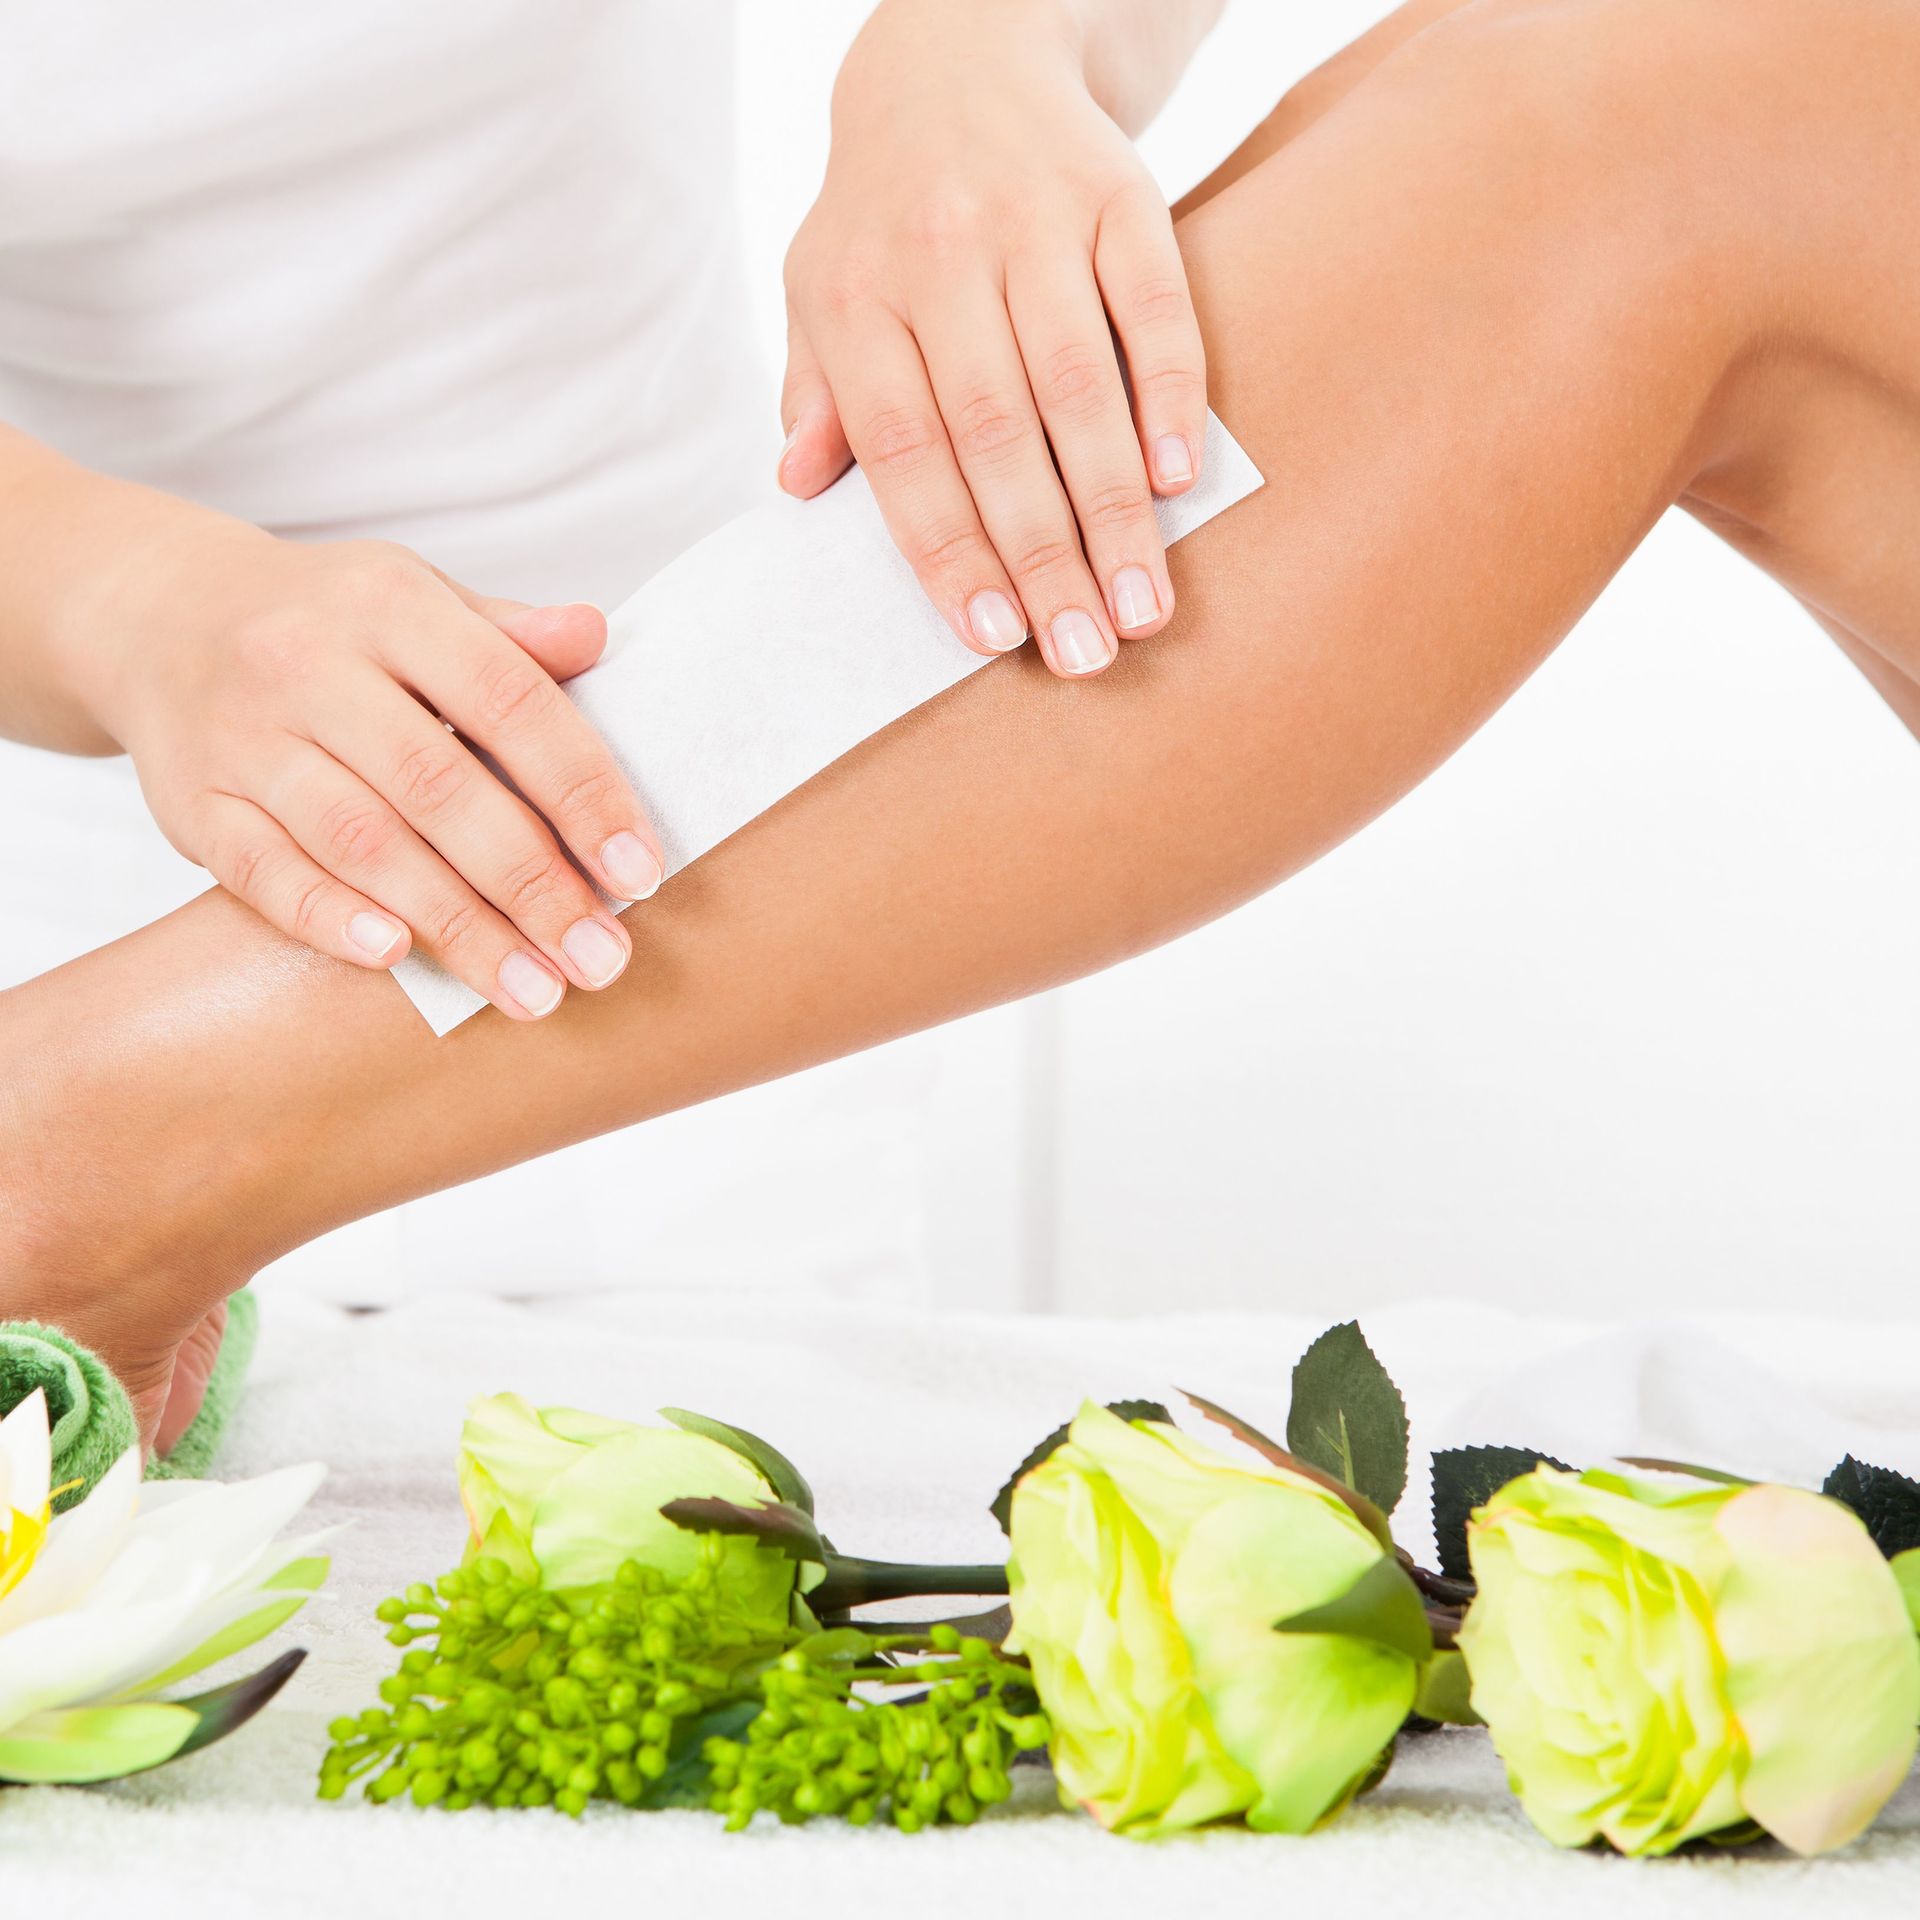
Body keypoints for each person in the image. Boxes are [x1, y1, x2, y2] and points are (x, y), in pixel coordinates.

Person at [7, 0, 1920, 1443]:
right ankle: (96, 1142)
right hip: (143, 816)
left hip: (773, 815)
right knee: (1665, 119)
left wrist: (978, 47)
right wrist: (131, 602)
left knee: (1659, 104)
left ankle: (85, 1144)